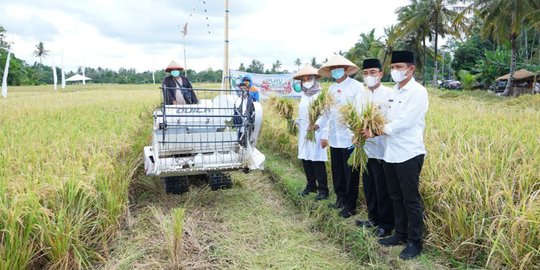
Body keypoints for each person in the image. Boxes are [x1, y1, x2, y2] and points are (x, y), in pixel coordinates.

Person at [362, 50, 429, 260]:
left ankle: (415, 242)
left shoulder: (418, 92)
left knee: (410, 199)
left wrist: (377, 131)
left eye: (399, 67)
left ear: (411, 69)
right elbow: (384, 118)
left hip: (409, 153)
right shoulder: (394, 93)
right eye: (393, 67)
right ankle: (400, 234)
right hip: (390, 153)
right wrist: (368, 125)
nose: (395, 71)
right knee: (395, 196)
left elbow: (404, 123)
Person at [316, 54, 368, 218]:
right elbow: (326, 113)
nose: (335, 71)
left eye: (338, 68)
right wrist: (318, 124)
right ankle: (340, 199)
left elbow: (360, 112)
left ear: (346, 69)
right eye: (332, 69)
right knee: (337, 171)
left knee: (350, 173)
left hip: (350, 138)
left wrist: (356, 134)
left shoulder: (356, 87)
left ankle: (350, 205)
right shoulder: (330, 89)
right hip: (335, 137)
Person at [355, 58, 394, 238]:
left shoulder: (389, 94)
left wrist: (375, 130)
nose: (369, 76)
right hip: (366, 149)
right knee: (369, 186)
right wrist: (355, 136)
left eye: (372, 72)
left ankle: (385, 224)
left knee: (382, 188)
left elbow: (391, 122)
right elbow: (355, 119)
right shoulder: (361, 95)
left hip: (383, 149)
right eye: (365, 73)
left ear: (380, 74)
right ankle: (373, 218)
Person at [294, 64, 330, 200]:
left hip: (317, 132)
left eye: (309, 78)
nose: (307, 81)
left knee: (317, 160)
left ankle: (323, 190)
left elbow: (326, 115)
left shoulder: (321, 95)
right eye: (304, 79)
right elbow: (303, 114)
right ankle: (310, 186)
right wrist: (295, 121)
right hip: (304, 132)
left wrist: (317, 126)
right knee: (306, 158)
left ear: (315, 79)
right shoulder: (303, 95)